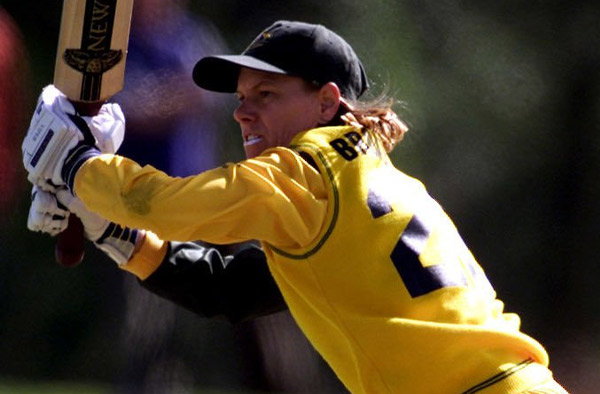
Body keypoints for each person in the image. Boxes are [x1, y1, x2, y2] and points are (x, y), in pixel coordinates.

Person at [22, 20, 569, 394]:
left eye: (267, 95)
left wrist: (77, 164)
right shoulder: (367, 180)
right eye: (240, 99)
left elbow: (168, 204)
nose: (242, 114)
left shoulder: (307, 170)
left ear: (327, 101)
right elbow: (231, 289)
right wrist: (114, 232)